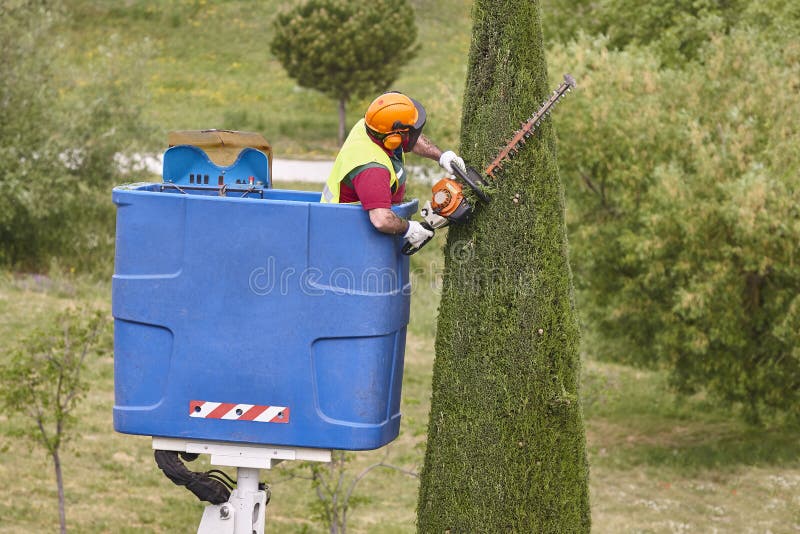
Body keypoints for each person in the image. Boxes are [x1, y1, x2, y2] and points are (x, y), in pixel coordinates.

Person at [321, 92, 465, 250]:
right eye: (411, 131)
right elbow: (381, 220)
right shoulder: (373, 168)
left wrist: (442, 157)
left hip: (356, 229)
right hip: (349, 236)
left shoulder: (373, 127)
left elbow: (411, 139)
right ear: (395, 138)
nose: (415, 135)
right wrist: (409, 228)